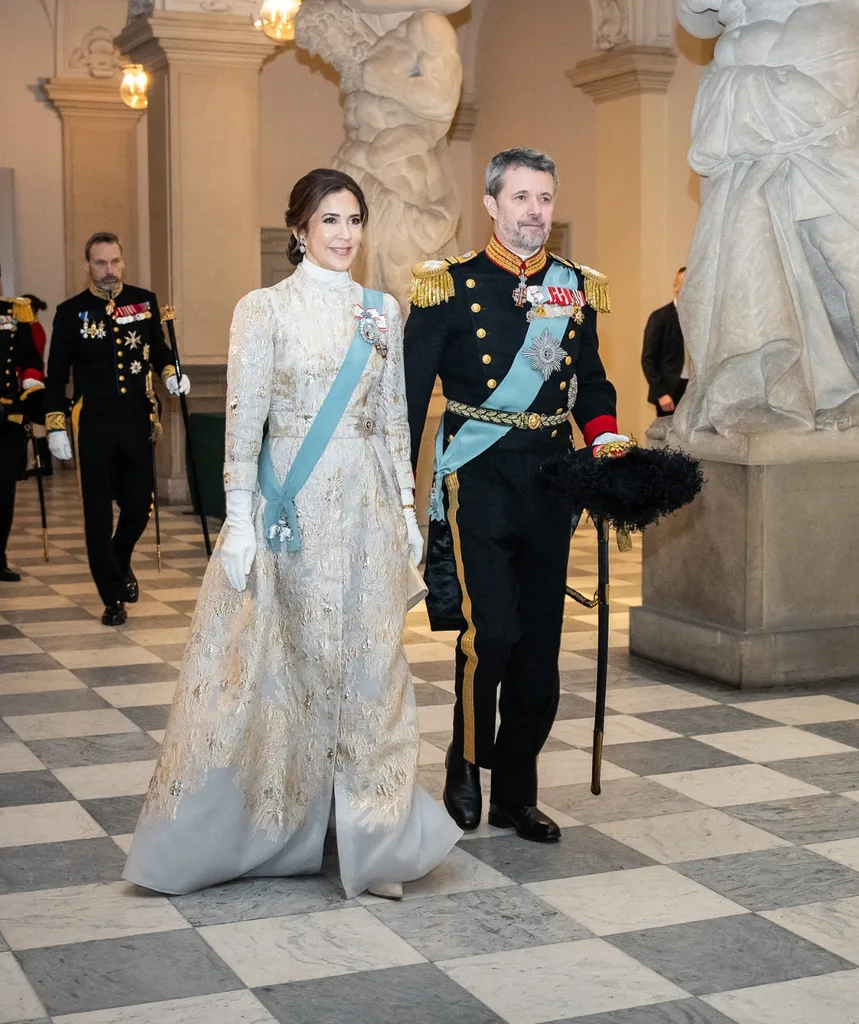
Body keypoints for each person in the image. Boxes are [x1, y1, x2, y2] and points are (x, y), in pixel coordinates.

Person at [123, 168, 461, 900]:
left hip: (366, 515)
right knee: (293, 673)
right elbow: (244, 423)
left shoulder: (382, 311)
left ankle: (373, 837)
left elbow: (391, 420)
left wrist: (405, 511)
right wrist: (240, 517)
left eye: (353, 220)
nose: (344, 234)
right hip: (295, 516)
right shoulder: (264, 310)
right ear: (299, 230)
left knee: (372, 673)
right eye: (329, 220)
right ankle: (291, 824)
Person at [404, 147, 626, 842]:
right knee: (490, 630)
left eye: (545, 199)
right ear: (492, 204)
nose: (535, 212)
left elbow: (589, 382)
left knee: (539, 646)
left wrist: (606, 440)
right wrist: (387, 487)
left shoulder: (572, 288)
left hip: (550, 479)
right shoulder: (447, 286)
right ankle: (465, 760)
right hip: (478, 474)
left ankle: (516, 790)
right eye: (522, 198)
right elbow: (409, 399)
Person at [44, 232, 190, 626]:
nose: (109, 271)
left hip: (137, 420)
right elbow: (56, 376)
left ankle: (119, 558)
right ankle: (112, 596)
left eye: (114, 262)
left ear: (123, 262)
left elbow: (157, 348)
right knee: (96, 514)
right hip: (92, 422)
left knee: (140, 507)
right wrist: (55, 425)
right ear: (87, 265)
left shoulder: (143, 302)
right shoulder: (71, 312)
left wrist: (170, 371)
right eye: (100, 263)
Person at [0, 271, 43, 583]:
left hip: (7, 417)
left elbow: (31, 358)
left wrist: (29, 379)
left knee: (4, 492)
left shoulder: (14, 314)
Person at [641, 267, 687, 417]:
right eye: (684, 283)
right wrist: (661, 393)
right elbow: (648, 359)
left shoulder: (702, 319)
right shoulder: (660, 317)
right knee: (669, 438)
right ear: (676, 286)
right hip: (670, 391)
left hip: (694, 390)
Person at [20, 294, 52, 476]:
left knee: (37, 426)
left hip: (33, 383)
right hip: (28, 382)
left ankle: (43, 464)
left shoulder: (34, 329)